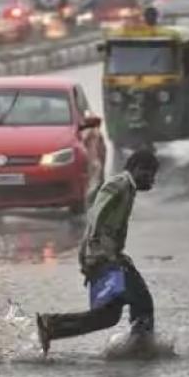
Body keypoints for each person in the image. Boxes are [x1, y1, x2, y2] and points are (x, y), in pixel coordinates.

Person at [35, 149, 158, 355]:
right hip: (105, 257)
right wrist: (95, 255)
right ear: (138, 169)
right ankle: (142, 345)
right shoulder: (119, 184)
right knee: (142, 301)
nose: (152, 181)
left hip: (106, 255)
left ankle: (52, 326)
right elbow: (96, 217)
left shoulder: (128, 188)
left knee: (107, 316)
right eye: (150, 174)